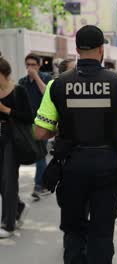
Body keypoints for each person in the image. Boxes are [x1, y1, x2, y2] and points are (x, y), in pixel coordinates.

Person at [33, 25, 117, 264]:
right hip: (107, 166)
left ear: (77, 50)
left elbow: (40, 131)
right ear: (101, 50)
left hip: (71, 167)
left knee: (74, 231)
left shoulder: (57, 85)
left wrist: (61, 126)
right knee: (102, 232)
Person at [0, 53, 33, 238]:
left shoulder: (18, 90)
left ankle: (8, 224)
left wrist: (6, 110)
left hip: (13, 140)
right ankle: (18, 206)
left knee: (9, 181)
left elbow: (29, 117)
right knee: (1, 182)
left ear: (3, 73)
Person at [18, 53, 52, 200]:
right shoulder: (22, 82)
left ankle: (39, 186)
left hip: (42, 123)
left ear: (38, 66)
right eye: (28, 65)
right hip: (26, 124)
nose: (30, 68)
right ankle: (44, 183)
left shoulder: (46, 78)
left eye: (33, 65)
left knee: (40, 154)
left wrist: (36, 77)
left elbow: (46, 93)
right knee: (31, 153)